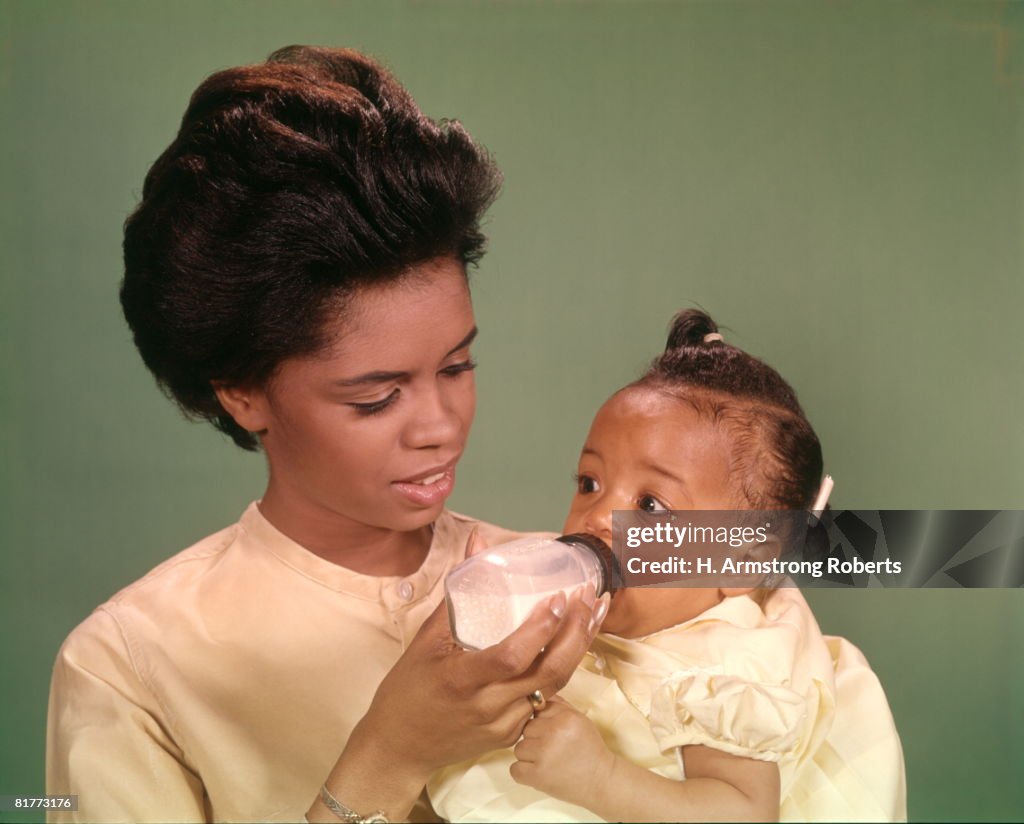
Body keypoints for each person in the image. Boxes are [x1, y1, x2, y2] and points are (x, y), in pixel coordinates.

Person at [45, 45, 607, 823]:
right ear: (243, 394)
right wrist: (387, 758)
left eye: (457, 366)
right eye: (377, 398)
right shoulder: (130, 666)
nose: (440, 428)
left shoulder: (557, 580)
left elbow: (818, 549)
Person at [429, 309, 907, 822]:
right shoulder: (630, 595)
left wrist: (600, 778)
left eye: (651, 506)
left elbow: (743, 811)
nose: (598, 518)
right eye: (589, 483)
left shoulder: (725, 670)